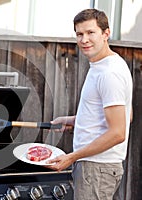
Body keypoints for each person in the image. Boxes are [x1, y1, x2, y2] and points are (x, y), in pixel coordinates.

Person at [46, 8, 133, 200]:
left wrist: (71, 157)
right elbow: (127, 116)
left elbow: (118, 132)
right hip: (95, 167)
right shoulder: (104, 65)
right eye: (79, 34)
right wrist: (75, 121)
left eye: (90, 32)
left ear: (106, 34)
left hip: (96, 168)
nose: (84, 39)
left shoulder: (110, 73)